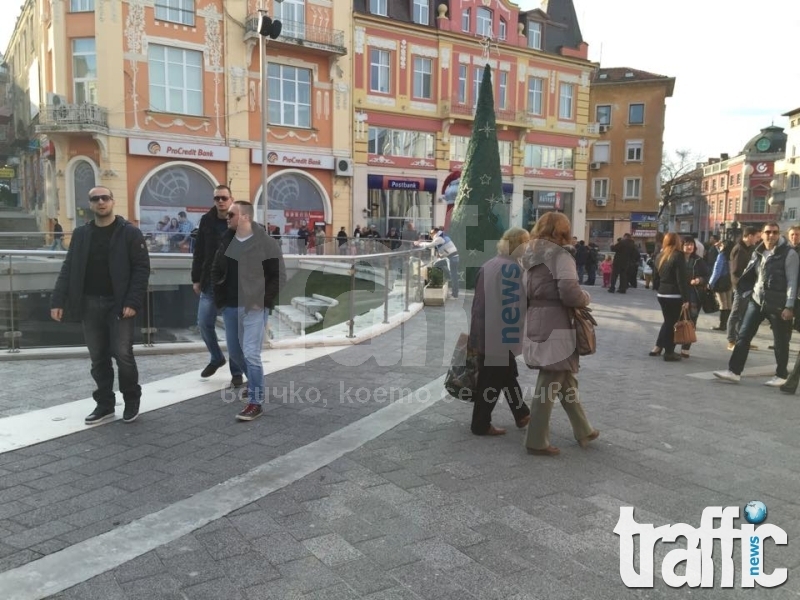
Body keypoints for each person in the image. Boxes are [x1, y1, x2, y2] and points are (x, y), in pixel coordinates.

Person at [50, 187, 150, 425]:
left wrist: (132, 301)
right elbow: (69, 267)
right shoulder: (82, 234)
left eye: (105, 198)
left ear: (113, 201)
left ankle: (131, 400)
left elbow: (141, 269)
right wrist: (57, 300)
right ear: (90, 204)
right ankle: (104, 404)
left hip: (120, 304)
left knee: (123, 354)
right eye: (96, 199)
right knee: (98, 358)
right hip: (89, 303)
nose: (101, 202)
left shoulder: (129, 233)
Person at [520, 212, 599, 456]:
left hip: (536, 318)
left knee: (563, 377)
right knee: (550, 380)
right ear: (563, 231)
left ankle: (583, 429)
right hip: (557, 322)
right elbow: (569, 292)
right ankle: (536, 440)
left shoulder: (529, 254)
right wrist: (586, 297)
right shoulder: (561, 254)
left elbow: (524, 291)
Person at [211, 201, 286, 420]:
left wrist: (262, 301)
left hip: (254, 306)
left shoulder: (265, 243)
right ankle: (254, 383)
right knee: (235, 353)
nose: (227, 216)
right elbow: (217, 270)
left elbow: (278, 276)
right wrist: (220, 300)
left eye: (231, 214)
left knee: (251, 353)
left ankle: (256, 401)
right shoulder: (229, 240)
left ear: (244, 217)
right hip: (231, 305)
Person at [714, 222, 799, 386]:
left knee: (780, 341)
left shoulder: (789, 254)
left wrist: (789, 306)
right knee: (743, 336)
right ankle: (734, 371)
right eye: (768, 232)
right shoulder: (758, 251)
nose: (771, 235)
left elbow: (792, 282)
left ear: (779, 234)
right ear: (762, 233)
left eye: (775, 232)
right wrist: (746, 291)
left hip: (778, 303)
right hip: (757, 300)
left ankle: (781, 375)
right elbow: (751, 273)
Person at [469, 227, 532, 436]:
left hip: (485, 330)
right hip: (500, 333)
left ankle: (522, 414)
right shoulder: (513, 270)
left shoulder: (490, 264)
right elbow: (514, 307)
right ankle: (480, 424)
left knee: (506, 374)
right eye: (526, 243)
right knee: (493, 380)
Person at [191, 185, 245, 387]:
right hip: (209, 283)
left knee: (233, 332)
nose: (220, 201)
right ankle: (216, 357)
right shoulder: (206, 220)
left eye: (224, 197)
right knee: (204, 322)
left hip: (233, 285)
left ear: (231, 198)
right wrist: (196, 279)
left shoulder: (241, 220)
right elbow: (199, 253)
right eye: (217, 198)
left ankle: (237, 372)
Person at [649, 233, 690, 361]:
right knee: (672, 324)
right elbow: (681, 279)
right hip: (675, 294)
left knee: (668, 322)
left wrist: (658, 288)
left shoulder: (660, 255)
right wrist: (686, 298)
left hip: (662, 293)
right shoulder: (678, 256)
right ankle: (669, 352)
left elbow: (655, 276)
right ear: (678, 242)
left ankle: (659, 347)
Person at [727, 227, 760, 351]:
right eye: (757, 237)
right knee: (735, 314)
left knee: (744, 315)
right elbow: (736, 271)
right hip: (741, 287)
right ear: (750, 236)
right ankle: (731, 340)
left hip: (749, 287)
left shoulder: (750, 249)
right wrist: (741, 285)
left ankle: (742, 340)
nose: (758, 240)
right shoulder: (739, 249)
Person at [678, 237, 709, 358]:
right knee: (676, 319)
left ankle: (686, 348)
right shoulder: (677, 258)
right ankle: (671, 345)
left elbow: (707, 275)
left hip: (694, 293)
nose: (689, 247)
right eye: (686, 244)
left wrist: (698, 280)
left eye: (691, 245)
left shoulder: (698, 260)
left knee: (691, 320)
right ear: (681, 245)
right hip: (678, 292)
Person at [416, 227, 460, 298]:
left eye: (431, 233)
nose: (430, 235)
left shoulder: (439, 238)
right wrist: (441, 255)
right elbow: (447, 250)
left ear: (435, 233)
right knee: (437, 264)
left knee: (453, 276)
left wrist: (420, 244)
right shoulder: (443, 237)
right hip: (451, 257)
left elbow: (430, 245)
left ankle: (455, 294)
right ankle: (448, 276)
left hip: (452, 258)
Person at [708, 239, 733, 332]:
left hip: (721, 281)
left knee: (723, 304)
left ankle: (722, 325)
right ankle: (728, 324)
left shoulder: (721, 256)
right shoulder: (730, 255)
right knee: (729, 303)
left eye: (721, 245)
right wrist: (717, 247)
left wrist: (710, 283)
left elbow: (717, 271)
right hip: (729, 281)